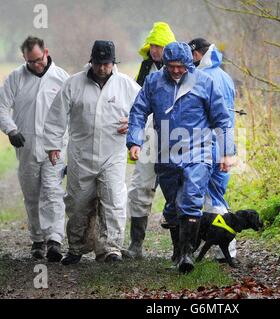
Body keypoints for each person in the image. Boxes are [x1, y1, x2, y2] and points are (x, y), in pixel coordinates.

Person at [127, 42, 235, 273]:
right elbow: (138, 111)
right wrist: (134, 140)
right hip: (166, 150)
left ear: (189, 64)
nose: (176, 70)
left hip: (199, 149)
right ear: (165, 64)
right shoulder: (154, 82)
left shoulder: (205, 82)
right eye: (172, 66)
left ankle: (187, 254)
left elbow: (222, 119)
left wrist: (226, 152)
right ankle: (178, 251)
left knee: (192, 198)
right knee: (173, 203)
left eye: (181, 66)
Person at [43, 40, 141, 265]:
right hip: (81, 155)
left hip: (113, 154)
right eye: (98, 63)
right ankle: (76, 247)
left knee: (114, 201)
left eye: (106, 64)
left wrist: (134, 124)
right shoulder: (74, 84)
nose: (101, 68)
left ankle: (111, 249)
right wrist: (53, 145)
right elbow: (56, 115)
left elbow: (145, 112)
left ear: (113, 63)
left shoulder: (126, 85)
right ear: (91, 61)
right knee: (77, 203)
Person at [0, 36, 69, 261]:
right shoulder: (16, 78)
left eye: (38, 59)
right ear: (24, 59)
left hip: (54, 146)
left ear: (46, 52)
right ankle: (38, 240)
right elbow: (0, 107)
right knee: (32, 195)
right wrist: (11, 130)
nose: (36, 65)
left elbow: (72, 112)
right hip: (26, 146)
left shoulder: (61, 78)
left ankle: (55, 239)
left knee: (53, 192)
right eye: (30, 62)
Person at [122, 21, 176, 259]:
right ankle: (136, 245)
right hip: (147, 136)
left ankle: (181, 248)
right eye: (152, 45)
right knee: (140, 187)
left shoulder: (181, 70)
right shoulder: (145, 68)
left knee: (177, 190)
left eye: (160, 46)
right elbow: (135, 100)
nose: (155, 50)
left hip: (175, 138)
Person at [188, 38, 238, 263]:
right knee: (218, 196)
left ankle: (222, 249)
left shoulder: (204, 77)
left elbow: (217, 118)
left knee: (211, 199)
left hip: (210, 147)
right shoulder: (225, 76)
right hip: (225, 144)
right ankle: (226, 250)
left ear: (197, 54)